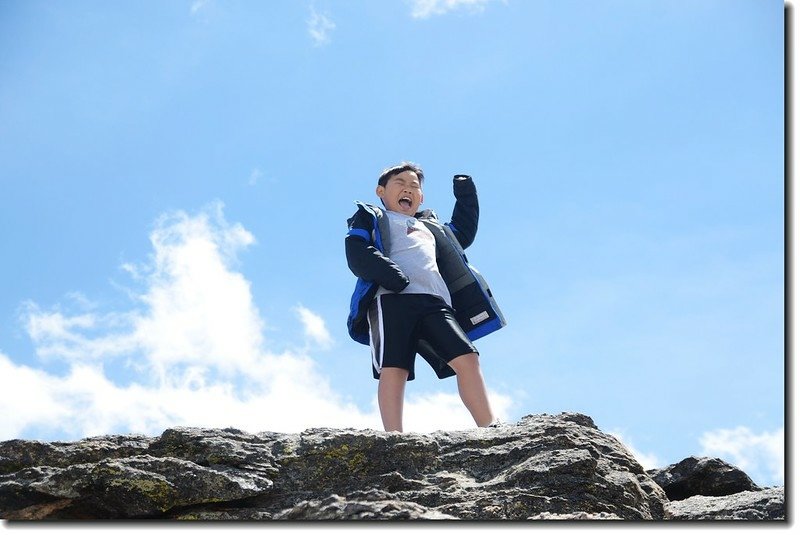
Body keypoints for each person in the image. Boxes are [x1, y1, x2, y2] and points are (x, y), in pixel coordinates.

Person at [344, 162, 505, 432]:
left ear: (421, 197)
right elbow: (356, 248)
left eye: (414, 186)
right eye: (400, 184)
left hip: (435, 301)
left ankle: (488, 424)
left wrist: (466, 194)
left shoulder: (431, 227)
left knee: (467, 357)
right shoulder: (372, 216)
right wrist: (389, 274)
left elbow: (462, 233)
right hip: (391, 299)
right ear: (380, 191)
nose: (408, 189)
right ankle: (393, 435)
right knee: (394, 366)